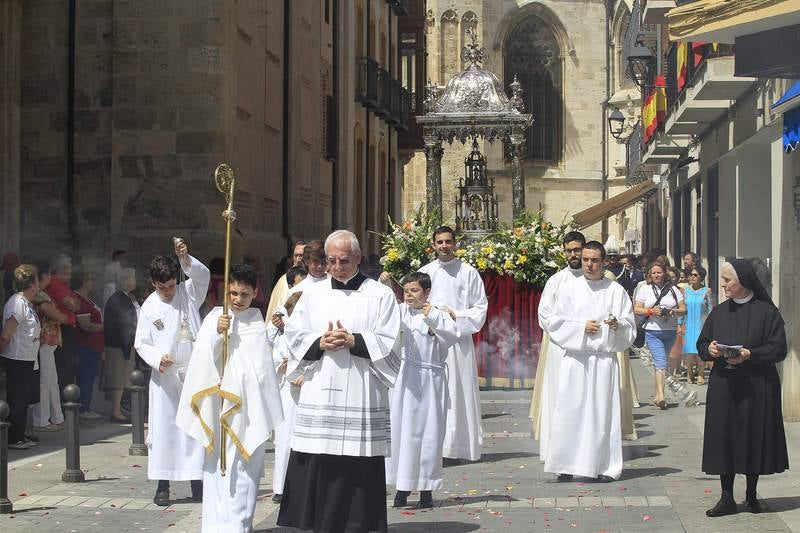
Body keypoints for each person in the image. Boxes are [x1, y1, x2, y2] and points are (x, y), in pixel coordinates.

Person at [277, 230, 401, 533]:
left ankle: (359, 524)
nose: (336, 266)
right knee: (320, 457)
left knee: (357, 464)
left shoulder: (380, 294)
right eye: (330, 260)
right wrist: (319, 342)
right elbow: (292, 334)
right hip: (320, 389)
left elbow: (392, 340)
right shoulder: (308, 293)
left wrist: (354, 340)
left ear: (358, 258)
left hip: (360, 389)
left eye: (343, 260)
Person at [177, 264, 283, 531]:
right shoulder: (215, 317)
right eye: (233, 293)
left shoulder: (257, 322)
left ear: (255, 292)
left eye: (244, 294)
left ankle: (239, 526)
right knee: (216, 472)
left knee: (244, 474)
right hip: (218, 406)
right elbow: (200, 359)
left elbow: (261, 370)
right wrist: (216, 336)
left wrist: (239, 385)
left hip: (247, 410)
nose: (237, 300)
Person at [697, 259, 788, 517]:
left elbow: (778, 348)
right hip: (724, 385)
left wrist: (750, 354)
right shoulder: (719, 312)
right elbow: (702, 343)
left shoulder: (767, 312)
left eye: (728, 280)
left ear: (744, 281)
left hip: (757, 386)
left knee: (753, 436)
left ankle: (751, 496)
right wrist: (711, 350)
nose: (723, 285)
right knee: (724, 437)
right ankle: (726, 497)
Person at [543, 242, 636, 481]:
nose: (589, 265)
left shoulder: (616, 291)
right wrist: (581, 327)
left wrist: (617, 326)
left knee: (601, 415)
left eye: (594, 260)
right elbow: (554, 323)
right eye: (585, 260)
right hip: (576, 359)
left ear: (604, 262)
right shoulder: (569, 288)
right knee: (570, 411)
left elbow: (628, 326)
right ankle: (565, 464)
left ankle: (603, 466)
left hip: (603, 360)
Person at [134, 238, 209, 505]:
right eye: (160, 287)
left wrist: (185, 259)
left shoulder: (187, 293)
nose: (166, 291)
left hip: (193, 373)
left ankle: (197, 482)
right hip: (165, 377)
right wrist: (156, 358)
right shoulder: (149, 307)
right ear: (153, 283)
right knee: (165, 430)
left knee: (194, 428)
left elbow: (203, 276)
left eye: (169, 286)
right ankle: (163, 485)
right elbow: (141, 342)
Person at [386, 272, 460, 509]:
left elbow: (452, 336)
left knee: (429, 435)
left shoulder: (438, 313)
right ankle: (402, 487)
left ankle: (426, 488)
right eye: (406, 290)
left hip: (430, 380)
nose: (409, 295)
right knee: (402, 432)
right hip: (405, 380)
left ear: (427, 292)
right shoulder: (398, 312)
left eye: (415, 291)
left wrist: (435, 318)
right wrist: (385, 286)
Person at [415, 226, 488, 462]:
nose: (444, 246)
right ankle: (435, 446)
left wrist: (454, 314)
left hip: (458, 343)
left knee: (460, 392)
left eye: (448, 242)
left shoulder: (468, 273)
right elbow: (413, 303)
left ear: (455, 244)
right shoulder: (424, 272)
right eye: (440, 242)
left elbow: (480, 308)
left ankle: (460, 446)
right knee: (434, 393)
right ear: (433, 245)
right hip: (432, 342)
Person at [529, 231, 585, 461]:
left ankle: (583, 449)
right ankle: (558, 451)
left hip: (587, 352)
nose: (573, 254)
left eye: (577, 250)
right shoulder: (556, 281)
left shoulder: (597, 280)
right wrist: (575, 331)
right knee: (559, 397)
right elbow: (545, 316)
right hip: (559, 350)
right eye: (569, 250)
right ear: (563, 252)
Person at [269, 282, 306, 504]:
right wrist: (280, 365)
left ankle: (303, 485)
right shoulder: (281, 334)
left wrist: (307, 373)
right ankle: (281, 486)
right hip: (286, 389)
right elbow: (271, 355)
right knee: (284, 439)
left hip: (306, 389)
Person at [634, 261, 686, 409]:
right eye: (654, 272)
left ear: (665, 274)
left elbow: (683, 309)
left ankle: (657, 395)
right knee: (661, 362)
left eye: (659, 272)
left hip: (670, 331)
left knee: (662, 364)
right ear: (650, 274)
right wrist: (651, 311)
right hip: (652, 330)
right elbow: (637, 309)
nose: (657, 275)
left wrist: (673, 311)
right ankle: (662, 396)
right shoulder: (645, 289)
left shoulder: (674, 290)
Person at [0, 265, 42, 449]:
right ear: (32, 283)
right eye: (38, 281)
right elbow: (6, 334)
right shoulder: (16, 302)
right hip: (17, 358)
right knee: (17, 397)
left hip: (28, 357)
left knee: (25, 397)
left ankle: (21, 433)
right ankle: (14, 437)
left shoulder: (26, 303)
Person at [30, 260, 67, 431]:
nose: (51, 277)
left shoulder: (43, 293)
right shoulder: (39, 294)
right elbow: (55, 314)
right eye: (49, 274)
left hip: (49, 341)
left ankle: (56, 417)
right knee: (45, 381)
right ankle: (41, 420)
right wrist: (61, 316)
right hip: (43, 341)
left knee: (52, 380)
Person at [103, 268, 139, 422]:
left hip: (122, 345)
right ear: (126, 281)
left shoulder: (124, 298)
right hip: (119, 346)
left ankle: (118, 409)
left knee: (122, 380)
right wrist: (127, 346)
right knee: (119, 380)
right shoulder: (119, 299)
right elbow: (125, 324)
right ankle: (116, 412)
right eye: (133, 278)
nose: (135, 281)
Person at [71, 269, 105, 419]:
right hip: (86, 345)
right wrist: (104, 326)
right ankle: (83, 407)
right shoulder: (79, 299)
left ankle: (87, 406)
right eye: (90, 279)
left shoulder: (87, 298)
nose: (92, 282)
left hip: (93, 346)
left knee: (90, 377)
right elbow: (85, 325)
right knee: (85, 377)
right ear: (84, 282)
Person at [46, 253, 79, 393]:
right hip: (62, 329)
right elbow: (71, 303)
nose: (71, 272)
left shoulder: (65, 285)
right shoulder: (54, 283)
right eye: (69, 269)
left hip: (68, 329)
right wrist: (72, 304)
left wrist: (73, 303)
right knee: (63, 368)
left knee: (69, 367)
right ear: (63, 268)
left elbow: (77, 305)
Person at [683, 265, 713, 385]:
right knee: (689, 351)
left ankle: (700, 373)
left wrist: (711, 325)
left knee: (699, 350)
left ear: (701, 277)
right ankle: (690, 372)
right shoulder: (684, 291)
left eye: (696, 275)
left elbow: (711, 308)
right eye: (691, 275)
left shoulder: (707, 291)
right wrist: (680, 324)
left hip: (701, 324)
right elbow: (682, 309)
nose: (693, 277)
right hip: (688, 323)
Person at [266, 241, 306, 320]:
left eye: (301, 256)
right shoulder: (283, 280)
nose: (298, 259)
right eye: (295, 256)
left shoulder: (316, 278)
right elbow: (276, 309)